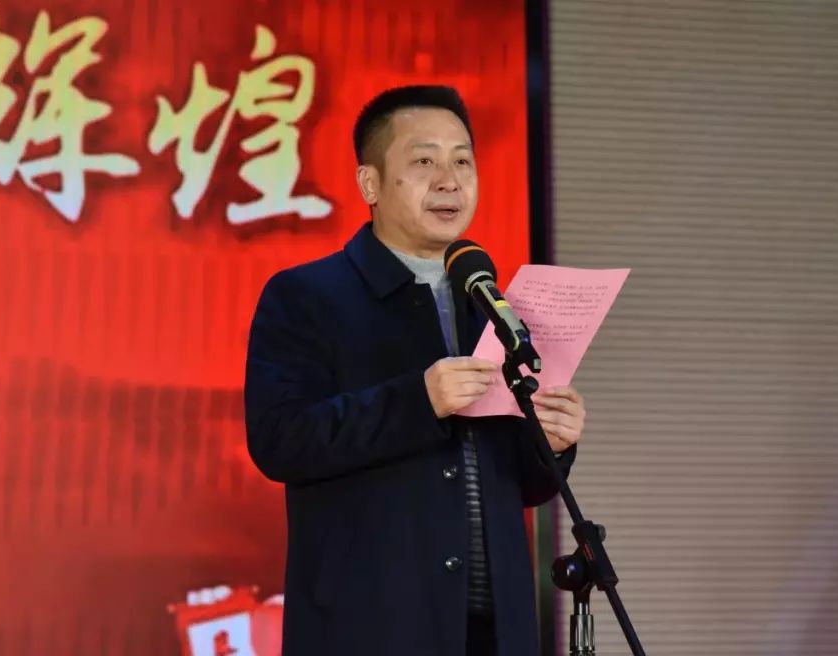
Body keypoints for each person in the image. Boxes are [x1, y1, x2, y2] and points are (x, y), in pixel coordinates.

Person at [244, 85, 586, 656]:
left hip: (495, 632)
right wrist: (418, 401)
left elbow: (523, 487)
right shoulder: (307, 295)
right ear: (370, 184)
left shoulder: (493, 308)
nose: (449, 181)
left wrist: (551, 443)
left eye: (463, 162)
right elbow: (280, 440)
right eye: (425, 161)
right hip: (371, 629)